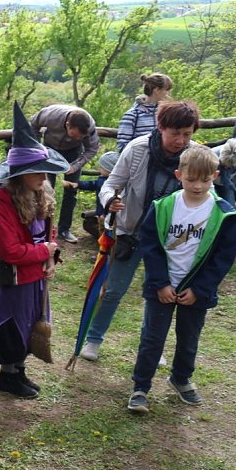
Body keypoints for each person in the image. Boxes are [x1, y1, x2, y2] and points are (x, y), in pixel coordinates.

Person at [79, 100, 201, 363]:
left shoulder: (194, 156)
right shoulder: (138, 149)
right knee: (113, 290)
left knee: (161, 294)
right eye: (175, 133)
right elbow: (110, 183)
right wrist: (110, 200)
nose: (181, 141)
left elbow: (206, 193)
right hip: (131, 232)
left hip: (171, 240)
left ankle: (152, 346)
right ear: (161, 127)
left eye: (187, 134)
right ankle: (94, 339)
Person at [126, 144, 236, 412]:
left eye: (205, 180)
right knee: (152, 339)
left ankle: (181, 378)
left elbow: (223, 258)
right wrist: (160, 283)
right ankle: (141, 386)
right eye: (191, 179)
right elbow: (150, 247)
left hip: (196, 290)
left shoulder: (225, 214)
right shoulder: (163, 207)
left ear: (215, 176)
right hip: (162, 287)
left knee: (189, 339)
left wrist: (200, 289)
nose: (198, 186)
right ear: (179, 175)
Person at [0, 102, 63, 399]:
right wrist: (44, 252)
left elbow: (48, 233)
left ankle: (19, 370)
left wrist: (52, 257)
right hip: (15, 278)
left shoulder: (39, 195)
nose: (43, 178)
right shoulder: (0, 206)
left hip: (36, 274)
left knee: (30, 324)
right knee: (14, 326)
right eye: (37, 172)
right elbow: (11, 251)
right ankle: (8, 376)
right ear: (20, 174)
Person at [30, 104, 100, 244]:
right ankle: (42, 227)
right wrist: (37, 148)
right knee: (44, 189)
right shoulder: (51, 114)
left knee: (71, 190)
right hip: (49, 149)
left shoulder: (89, 127)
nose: (78, 138)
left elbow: (92, 148)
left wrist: (75, 166)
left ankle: (64, 229)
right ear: (67, 125)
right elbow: (33, 124)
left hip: (74, 152)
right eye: (75, 135)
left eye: (81, 137)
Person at [116, 73, 173, 153]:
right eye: (167, 90)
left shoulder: (166, 114)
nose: (168, 94)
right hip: (137, 158)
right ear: (157, 90)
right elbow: (122, 146)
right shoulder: (133, 114)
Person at [63, 150, 120, 227]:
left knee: (108, 230)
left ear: (110, 169)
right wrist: (78, 184)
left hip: (109, 215)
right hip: (101, 214)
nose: (99, 169)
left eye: (101, 167)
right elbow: (92, 184)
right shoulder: (102, 180)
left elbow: (111, 202)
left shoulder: (113, 184)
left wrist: (104, 214)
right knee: (102, 228)